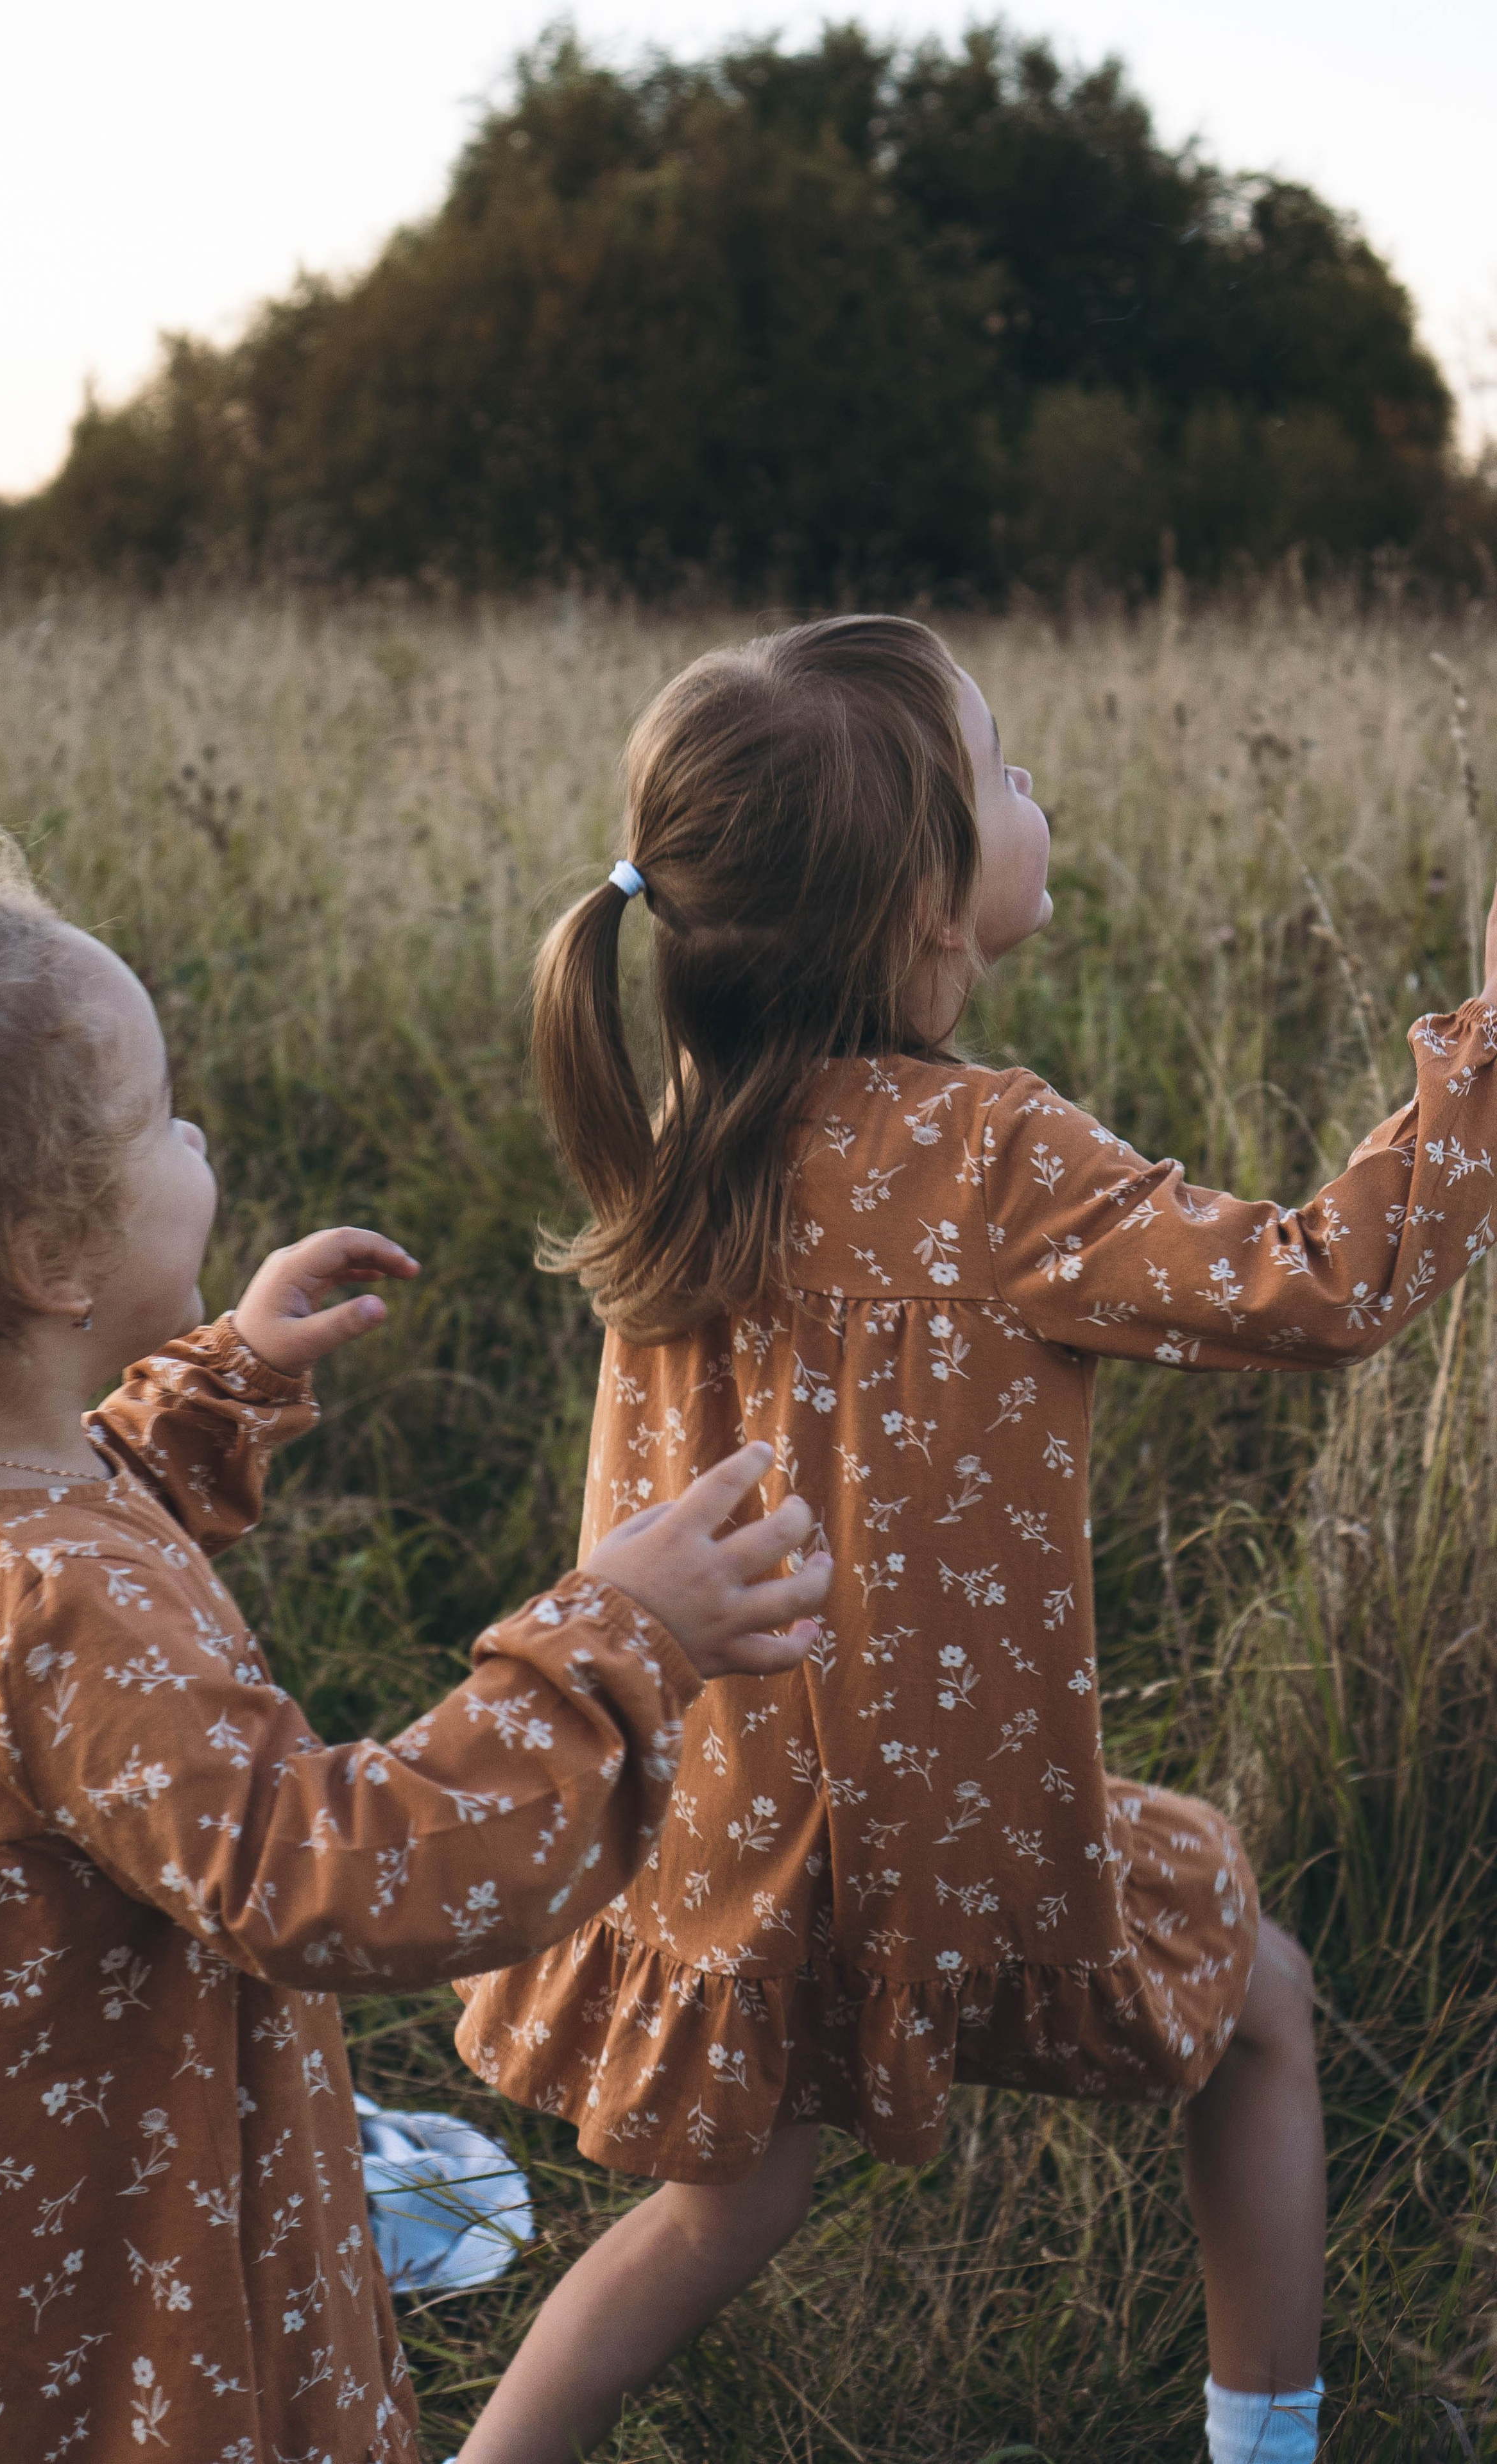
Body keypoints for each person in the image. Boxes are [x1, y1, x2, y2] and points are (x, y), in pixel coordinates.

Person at [454, 613, 1497, 2464]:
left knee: (722, 2211)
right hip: (956, 1828)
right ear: (923, 912)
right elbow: (1329, 1290)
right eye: (1006, 771)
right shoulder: (994, 1157)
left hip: (741, 1828)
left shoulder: (696, 1137)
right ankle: (1272, 2448)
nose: (1040, 791)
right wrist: (1479, 1058)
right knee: (1262, 2009)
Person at [0, 810, 832, 2464]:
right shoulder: (60, 1600)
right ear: (46, 1259)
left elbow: (78, 1532)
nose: (200, 1138)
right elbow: (325, 1871)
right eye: (159, 1124)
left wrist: (224, 1375)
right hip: (120, 2278)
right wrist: (614, 1643)